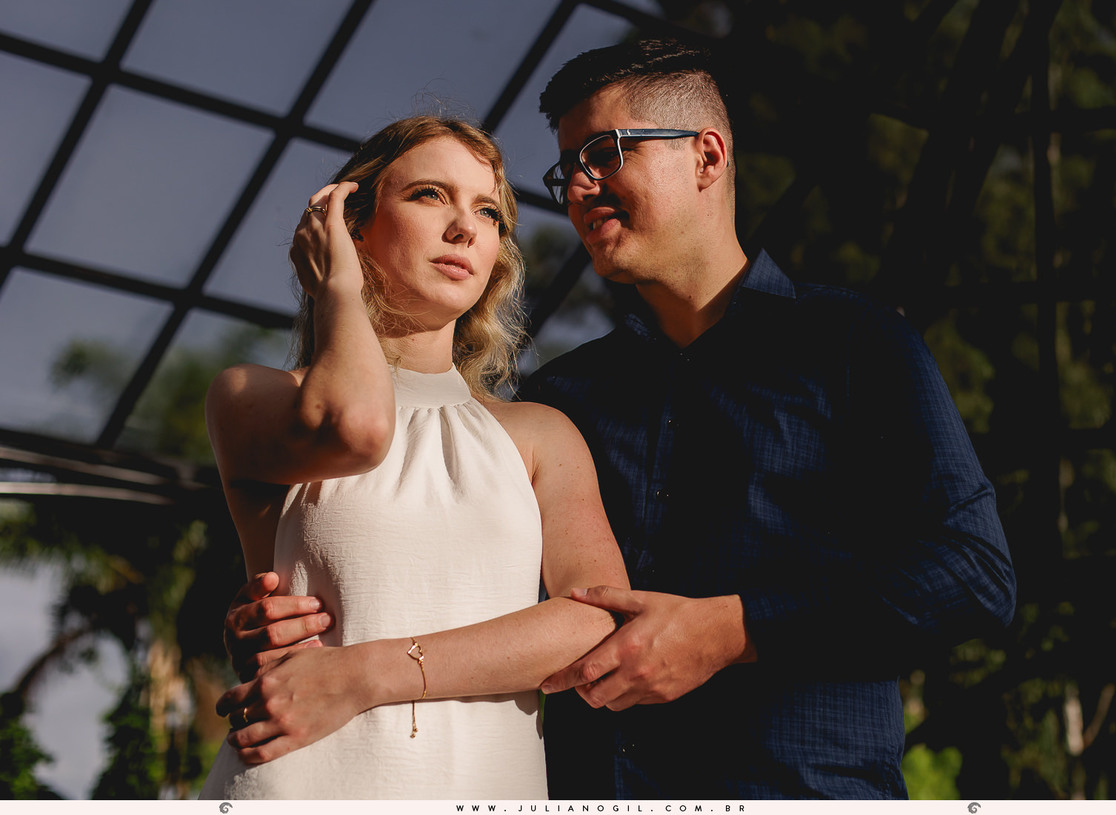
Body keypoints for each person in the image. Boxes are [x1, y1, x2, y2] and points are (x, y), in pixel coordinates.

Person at [223, 39, 1017, 799]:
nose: (574, 189)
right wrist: (285, 621)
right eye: (567, 168)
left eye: (606, 154)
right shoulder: (566, 398)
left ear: (707, 155)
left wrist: (733, 629)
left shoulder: (856, 345)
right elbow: (456, 586)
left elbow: (974, 573)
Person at [198, 115, 628, 800]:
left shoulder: (540, 433)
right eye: (431, 194)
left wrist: (366, 674)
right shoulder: (254, 397)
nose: (464, 227)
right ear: (351, 223)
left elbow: (593, 620)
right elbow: (362, 429)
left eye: (487, 211)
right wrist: (337, 288)